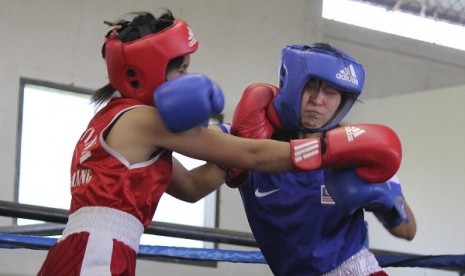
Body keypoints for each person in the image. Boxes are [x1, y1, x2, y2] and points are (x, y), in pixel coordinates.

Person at [36, 11, 400, 276]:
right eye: (181, 69)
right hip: (97, 253)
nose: (188, 77)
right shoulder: (144, 120)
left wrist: (237, 150)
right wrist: (328, 149)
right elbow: (253, 154)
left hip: (85, 249)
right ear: (146, 69)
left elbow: (192, 187)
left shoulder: (116, 119)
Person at [226, 43, 417, 275]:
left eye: (330, 91)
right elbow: (195, 177)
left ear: (342, 101)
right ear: (293, 86)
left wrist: (384, 201)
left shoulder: (357, 146)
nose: (317, 100)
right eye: (310, 86)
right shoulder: (248, 140)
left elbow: (408, 231)